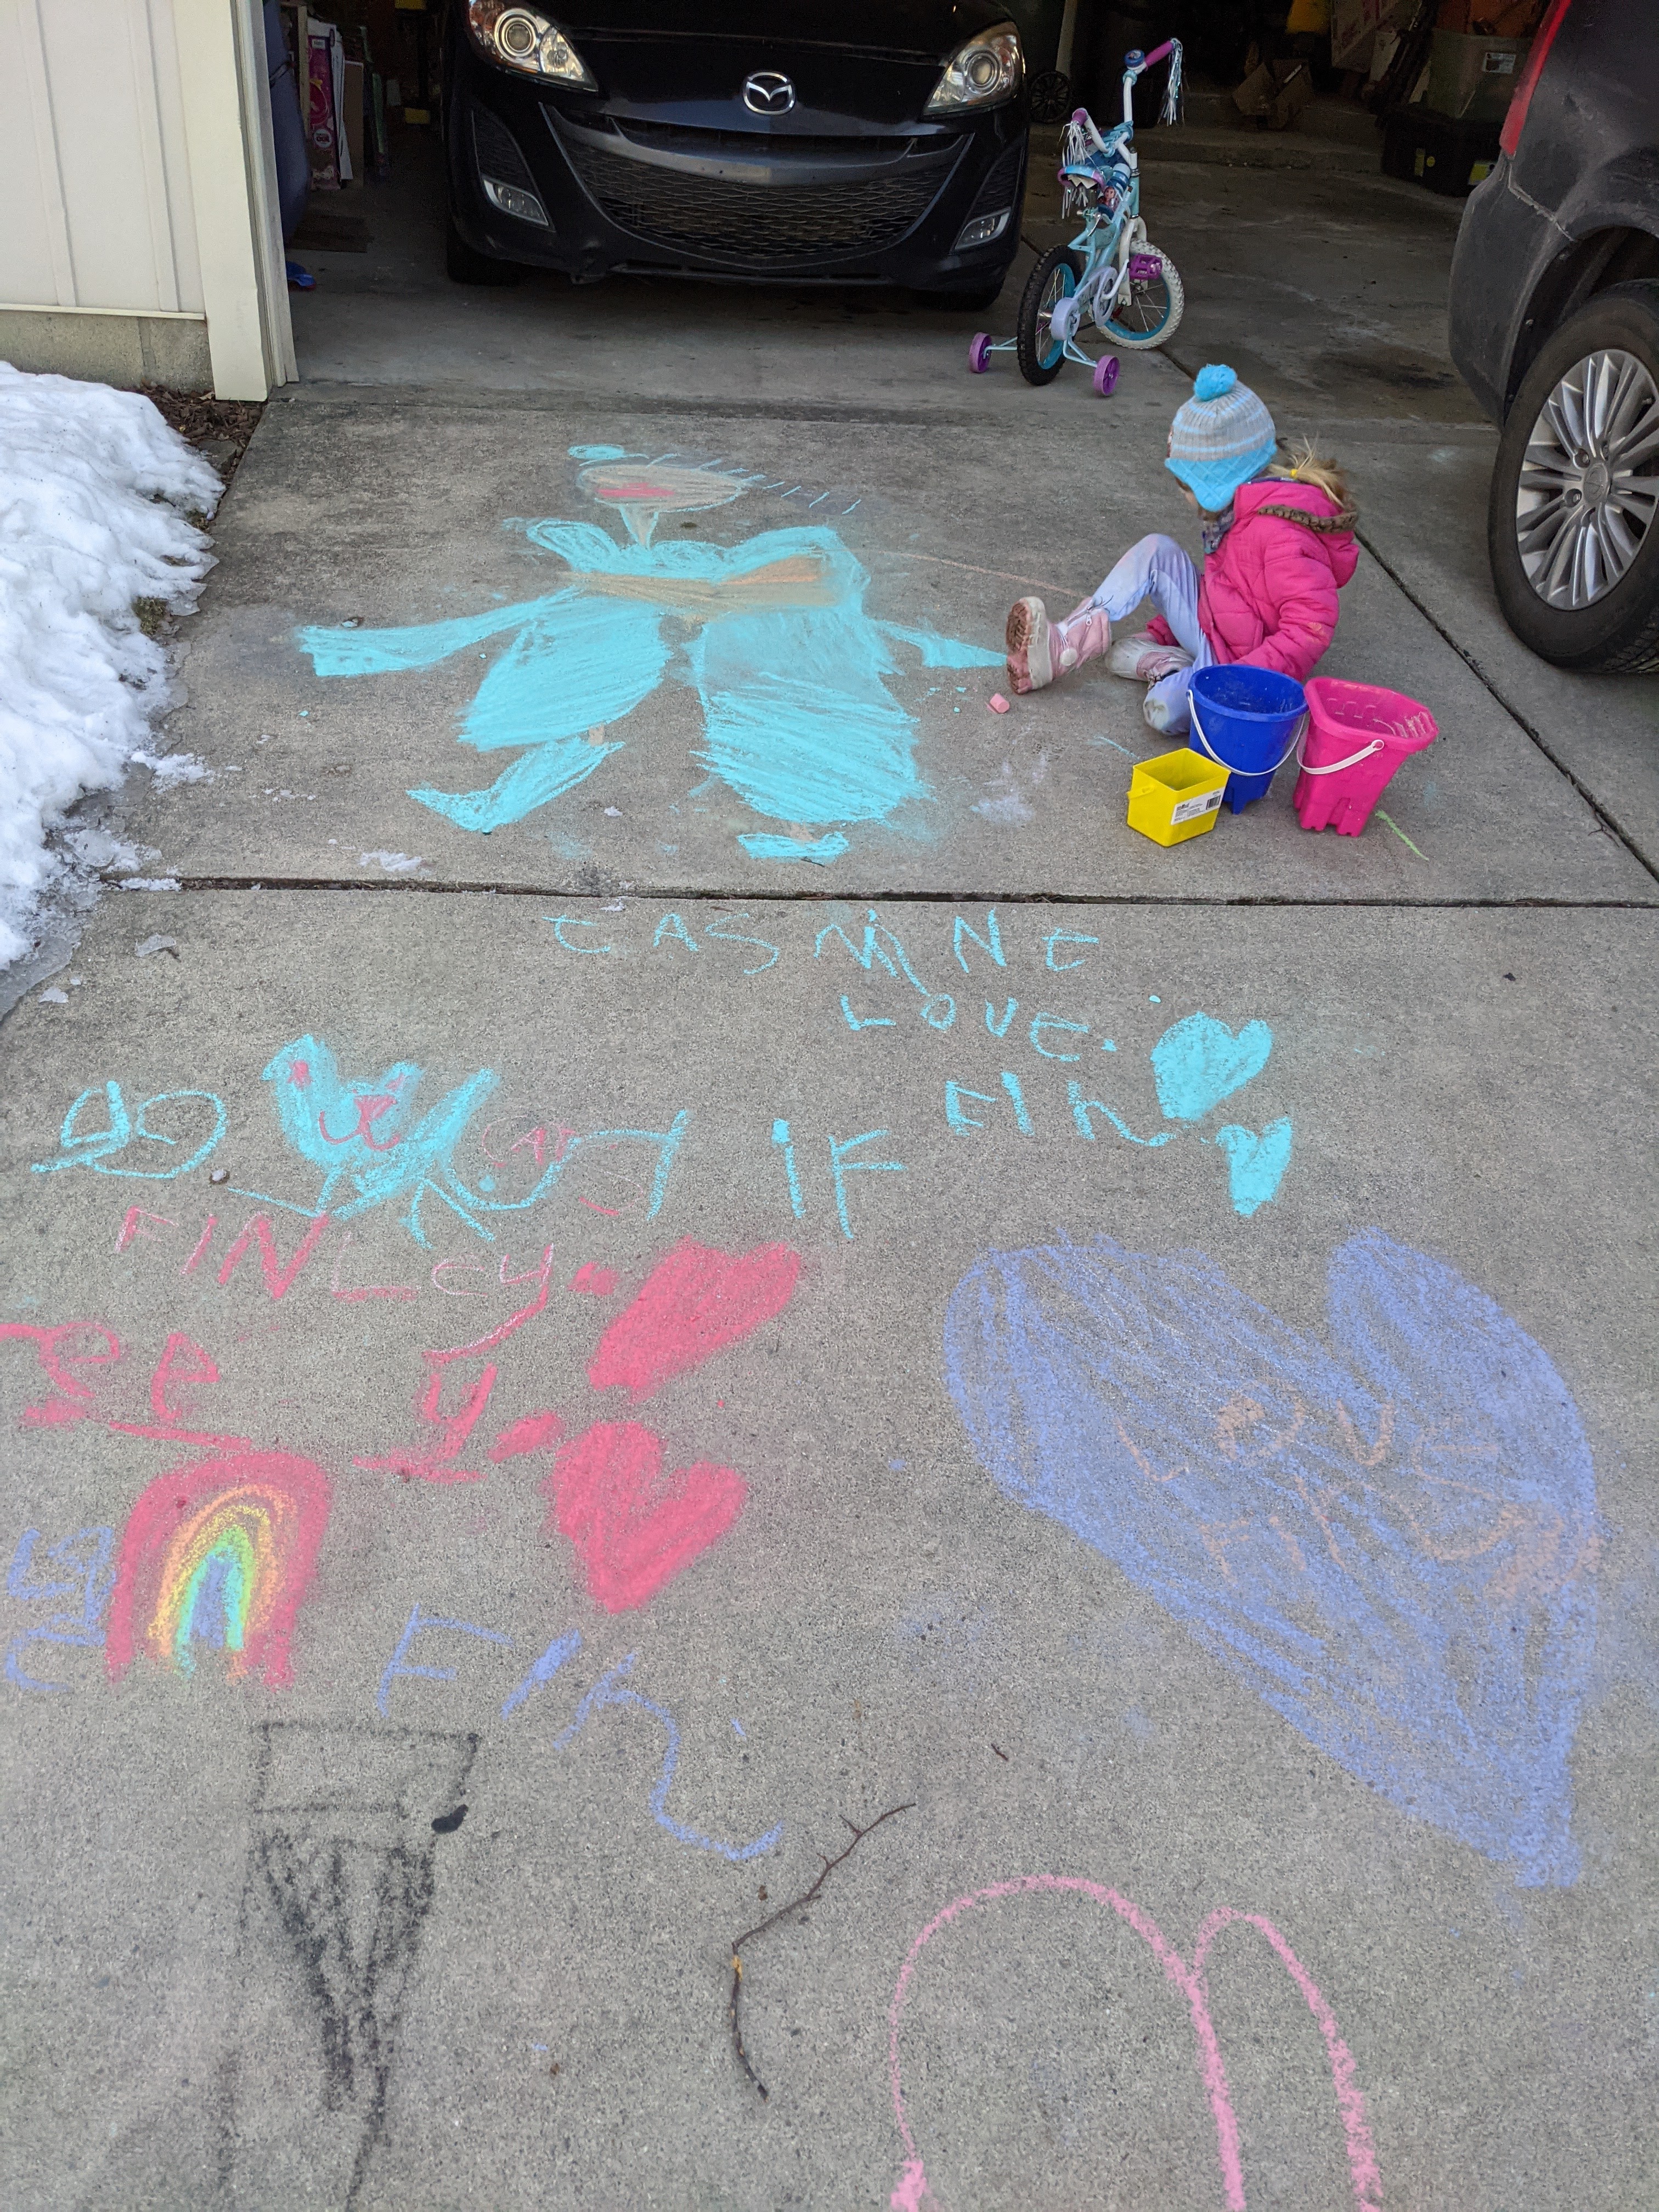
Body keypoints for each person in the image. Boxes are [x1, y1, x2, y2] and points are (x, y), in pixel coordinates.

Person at [1005, 365, 1358, 736]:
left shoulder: (1281, 534)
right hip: (1219, 639)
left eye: (1186, 486)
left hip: (1237, 667)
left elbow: (1308, 629)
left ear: (1219, 481)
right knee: (1156, 551)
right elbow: (1224, 594)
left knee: (1164, 711)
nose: (1183, 495)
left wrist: (1236, 683)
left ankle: (1171, 669)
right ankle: (1066, 643)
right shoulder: (1238, 512)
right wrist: (1166, 630)